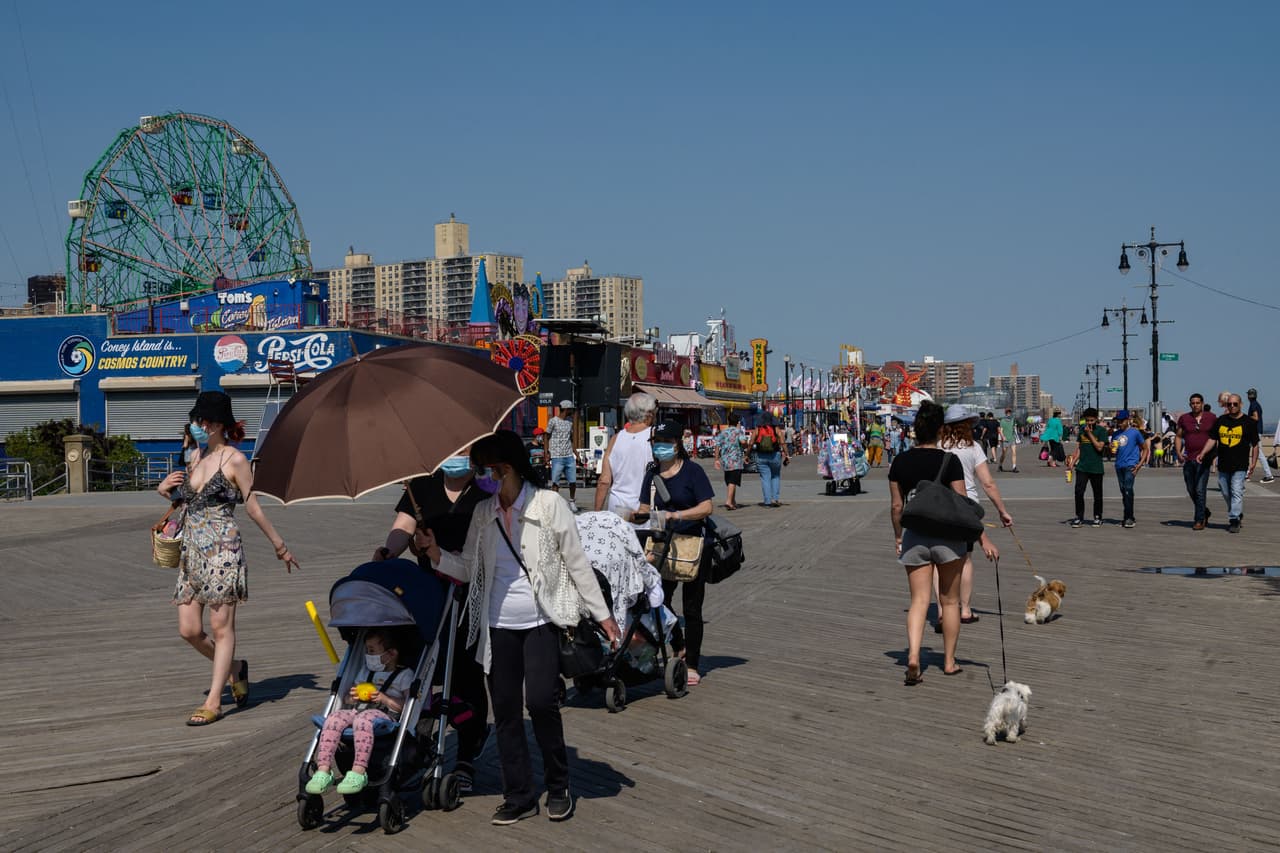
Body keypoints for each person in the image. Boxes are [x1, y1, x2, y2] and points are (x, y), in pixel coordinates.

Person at [416, 430, 620, 826]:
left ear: (506, 469)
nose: (479, 478)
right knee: (507, 711)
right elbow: (469, 569)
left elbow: (577, 563)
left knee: (541, 702)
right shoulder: (484, 513)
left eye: (484, 471)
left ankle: (558, 785)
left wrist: (603, 615)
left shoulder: (549, 504)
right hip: (497, 625)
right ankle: (519, 795)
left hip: (542, 619)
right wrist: (435, 552)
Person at [156, 391, 299, 727]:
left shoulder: (235, 460)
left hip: (223, 549)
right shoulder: (196, 456)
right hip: (192, 551)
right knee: (189, 630)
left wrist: (280, 546)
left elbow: (252, 506)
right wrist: (164, 490)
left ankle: (214, 702)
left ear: (218, 424)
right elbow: (187, 501)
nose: (197, 425)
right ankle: (235, 667)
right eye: (196, 420)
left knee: (222, 628)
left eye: (203, 420)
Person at [373, 456, 491, 792]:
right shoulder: (421, 487)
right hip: (429, 595)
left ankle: (467, 754)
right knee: (424, 670)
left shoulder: (484, 495)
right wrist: (389, 552)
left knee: (467, 674)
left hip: (469, 593)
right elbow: (402, 527)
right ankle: (417, 745)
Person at [889, 401, 993, 685]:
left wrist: (898, 536)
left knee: (919, 601)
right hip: (948, 537)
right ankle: (948, 662)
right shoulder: (950, 461)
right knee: (949, 602)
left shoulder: (900, 461)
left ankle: (913, 657)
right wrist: (982, 537)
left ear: (915, 429)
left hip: (915, 536)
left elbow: (897, 506)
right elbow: (963, 503)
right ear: (939, 430)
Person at [636, 419, 715, 687]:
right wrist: (632, 517)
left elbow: (706, 507)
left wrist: (678, 515)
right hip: (663, 544)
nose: (660, 447)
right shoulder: (652, 473)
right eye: (656, 442)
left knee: (692, 607)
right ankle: (678, 645)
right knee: (658, 599)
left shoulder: (693, 471)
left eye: (665, 442)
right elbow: (644, 508)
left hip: (693, 544)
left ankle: (692, 663)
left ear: (677, 444)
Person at [305, 629, 414, 796]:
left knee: (362, 719)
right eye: (366, 650)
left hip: (386, 716)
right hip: (359, 710)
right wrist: (353, 697)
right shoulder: (365, 671)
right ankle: (323, 769)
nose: (367, 655)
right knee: (333, 718)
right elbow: (348, 699)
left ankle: (359, 771)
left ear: (391, 654)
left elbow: (407, 706)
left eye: (372, 651)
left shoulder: (404, 675)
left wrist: (383, 698)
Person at [938, 405, 1012, 627]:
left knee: (939, 561)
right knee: (965, 560)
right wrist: (1002, 510)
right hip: (967, 507)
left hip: (941, 507)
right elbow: (987, 483)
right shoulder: (973, 448)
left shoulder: (937, 446)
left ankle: (941, 611)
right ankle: (965, 610)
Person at [593, 391, 657, 520]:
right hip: (644, 508)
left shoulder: (615, 439)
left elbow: (604, 481)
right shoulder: (654, 436)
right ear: (649, 414)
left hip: (617, 508)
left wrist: (596, 514)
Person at [1202, 392, 1259, 534]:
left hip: (1240, 464)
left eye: (1235, 404)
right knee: (1226, 492)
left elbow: (1255, 445)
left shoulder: (1249, 423)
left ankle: (1234, 520)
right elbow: (1212, 439)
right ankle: (1237, 513)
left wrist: (1253, 463)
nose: (1232, 406)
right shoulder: (1221, 421)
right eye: (1229, 404)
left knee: (1236, 491)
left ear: (1241, 404)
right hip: (1224, 464)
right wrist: (1202, 453)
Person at [1175, 394, 1217, 530]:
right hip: (1189, 458)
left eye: (1198, 403)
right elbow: (1178, 436)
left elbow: (1216, 436)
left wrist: (1214, 454)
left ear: (1202, 403)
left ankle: (1199, 520)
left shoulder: (1211, 417)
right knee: (1191, 489)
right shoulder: (1184, 418)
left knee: (1200, 490)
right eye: (1193, 403)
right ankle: (1204, 511)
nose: (1195, 405)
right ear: (1190, 404)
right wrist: (1178, 452)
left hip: (1204, 459)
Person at [1066, 408, 1107, 527]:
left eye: (1092, 420)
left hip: (1096, 467)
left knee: (1097, 494)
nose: (1089, 423)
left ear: (1096, 419)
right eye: (1087, 420)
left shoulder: (1101, 431)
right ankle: (1079, 516)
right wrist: (1072, 463)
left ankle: (1098, 516)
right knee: (1078, 492)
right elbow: (1079, 448)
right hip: (1082, 466)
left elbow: (1099, 447)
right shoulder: (1082, 430)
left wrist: (1089, 434)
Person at [1110, 409, 1148, 529]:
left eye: (1122, 420)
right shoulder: (1115, 434)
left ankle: (1129, 517)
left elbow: (1145, 448)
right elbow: (1114, 451)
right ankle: (1127, 515)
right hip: (1119, 465)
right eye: (1118, 421)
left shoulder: (1135, 432)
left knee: (1128, 489)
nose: (1119, 423)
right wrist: (1111, 449)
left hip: (1131, 465)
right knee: (1123, 490)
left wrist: (1139, 464)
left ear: (1128, 420)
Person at [545, 401, 579, 513]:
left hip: (569, 455)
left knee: (573, 481)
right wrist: (547, 452)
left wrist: (576, 452)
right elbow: (546, 436)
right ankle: (554, 504)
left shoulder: (569, 422)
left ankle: (572, 501)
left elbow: (571, 439)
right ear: (566, 409)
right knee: (555, 482)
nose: (572, 411)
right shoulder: (553, 421)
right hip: (557, 456)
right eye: (571, 409)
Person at [750, 413, 789, 507]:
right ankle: (775, 499)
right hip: (775, 455)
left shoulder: (758, 429)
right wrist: (787, 454)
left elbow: (751, 443)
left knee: (765, 478)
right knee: (775, 476)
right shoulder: (776, 429)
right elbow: (782, 442)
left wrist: (747, 454)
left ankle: (767, 501)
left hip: (761, 456)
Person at [713, 411, 748, 510]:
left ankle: (733, 501)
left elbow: (717, 446)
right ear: (737, 422)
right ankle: (728, 501)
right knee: (733, 480)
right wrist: (746, 445)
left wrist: (716, 459)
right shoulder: (738, 432)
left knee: (730, 480)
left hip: (725, 460)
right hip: (735, 460)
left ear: (728, 421)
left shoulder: (723, 432)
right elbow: (743, 442)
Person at [1246, 389, 1275, 483]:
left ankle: (1268, 475)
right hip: (1256, 431)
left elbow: (1256, 417)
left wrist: (1246, 417)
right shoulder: (1256, 404)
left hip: (1255, 432)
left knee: (1259, 453)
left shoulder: (1253, 405)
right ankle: (1247, 474)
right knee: (1251, 451)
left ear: (1248, 396)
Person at [997, 408, 1019, 472]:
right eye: (1007, 412)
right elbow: (1001, 430)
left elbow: (1014, 428)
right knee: (1004, 454)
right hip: (1005, 439)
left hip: (1012, 438)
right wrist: (1003, 437)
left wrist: (1016, 436)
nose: (1009, 413)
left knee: (1014, 452)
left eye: (1010, 412)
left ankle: (1014, 467)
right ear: (1005, 413)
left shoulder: (1013, 420)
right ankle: (1000, 465)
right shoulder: (1002, 421)